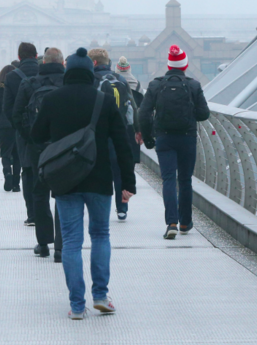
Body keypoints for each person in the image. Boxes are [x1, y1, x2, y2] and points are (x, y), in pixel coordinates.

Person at [31, 48, 136, 320]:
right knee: (100, 235)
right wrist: (127, 182)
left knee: (72, 242)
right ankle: (100, 295)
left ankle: (77, 305)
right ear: (90, 72)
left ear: (68, 72)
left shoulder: (53, 99)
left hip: (65, 178)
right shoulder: (102, 99)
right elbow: (122, 144)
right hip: (99, 177)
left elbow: (36, 135)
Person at [139, 45, 210, 239]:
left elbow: (143, 113)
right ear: (185, 65)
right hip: (187, 137)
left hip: (164, 137)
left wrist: (147, 137)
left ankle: (171, 222)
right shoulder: (194, 85)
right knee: (185, 180)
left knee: (168, 179)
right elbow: (204, 114)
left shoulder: (156, 85)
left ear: (169, 65)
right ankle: (185, 222)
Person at [12, 47, 65, 261]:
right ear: (62, 64)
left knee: (39, 193)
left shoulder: (29, 83)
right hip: (64, 147)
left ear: (42, 63)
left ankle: (43, 243)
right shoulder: (68, 82)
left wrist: (32, 137)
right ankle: (61, 246)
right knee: (63, 194)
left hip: (38, 148)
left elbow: (16, 115)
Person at [89, 48, 141, 222]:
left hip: (97, 134)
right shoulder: (119, 79)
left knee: (98, 170)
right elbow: (132, 106)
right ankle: (122, 208)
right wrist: (137, 130)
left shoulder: (90, 80)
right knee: (119, 170)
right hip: (120, 131)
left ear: (93, 63)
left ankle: (99, 208)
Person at [3, 42, 39, 226]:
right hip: (48, 131)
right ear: (36, 55)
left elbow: (8, 109)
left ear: (19, 57)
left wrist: (21, 128)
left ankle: (32, 214)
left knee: (28, 171)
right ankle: (46, 211)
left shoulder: (11, 77)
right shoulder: (46, 73)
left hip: (24, 132)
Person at [0, 64, 21, 192]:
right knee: (17, 154)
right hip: (17, 123)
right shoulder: (19, 87)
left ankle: (7, 174)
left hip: (4, 124)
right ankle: (16, 183)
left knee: (5, 154)